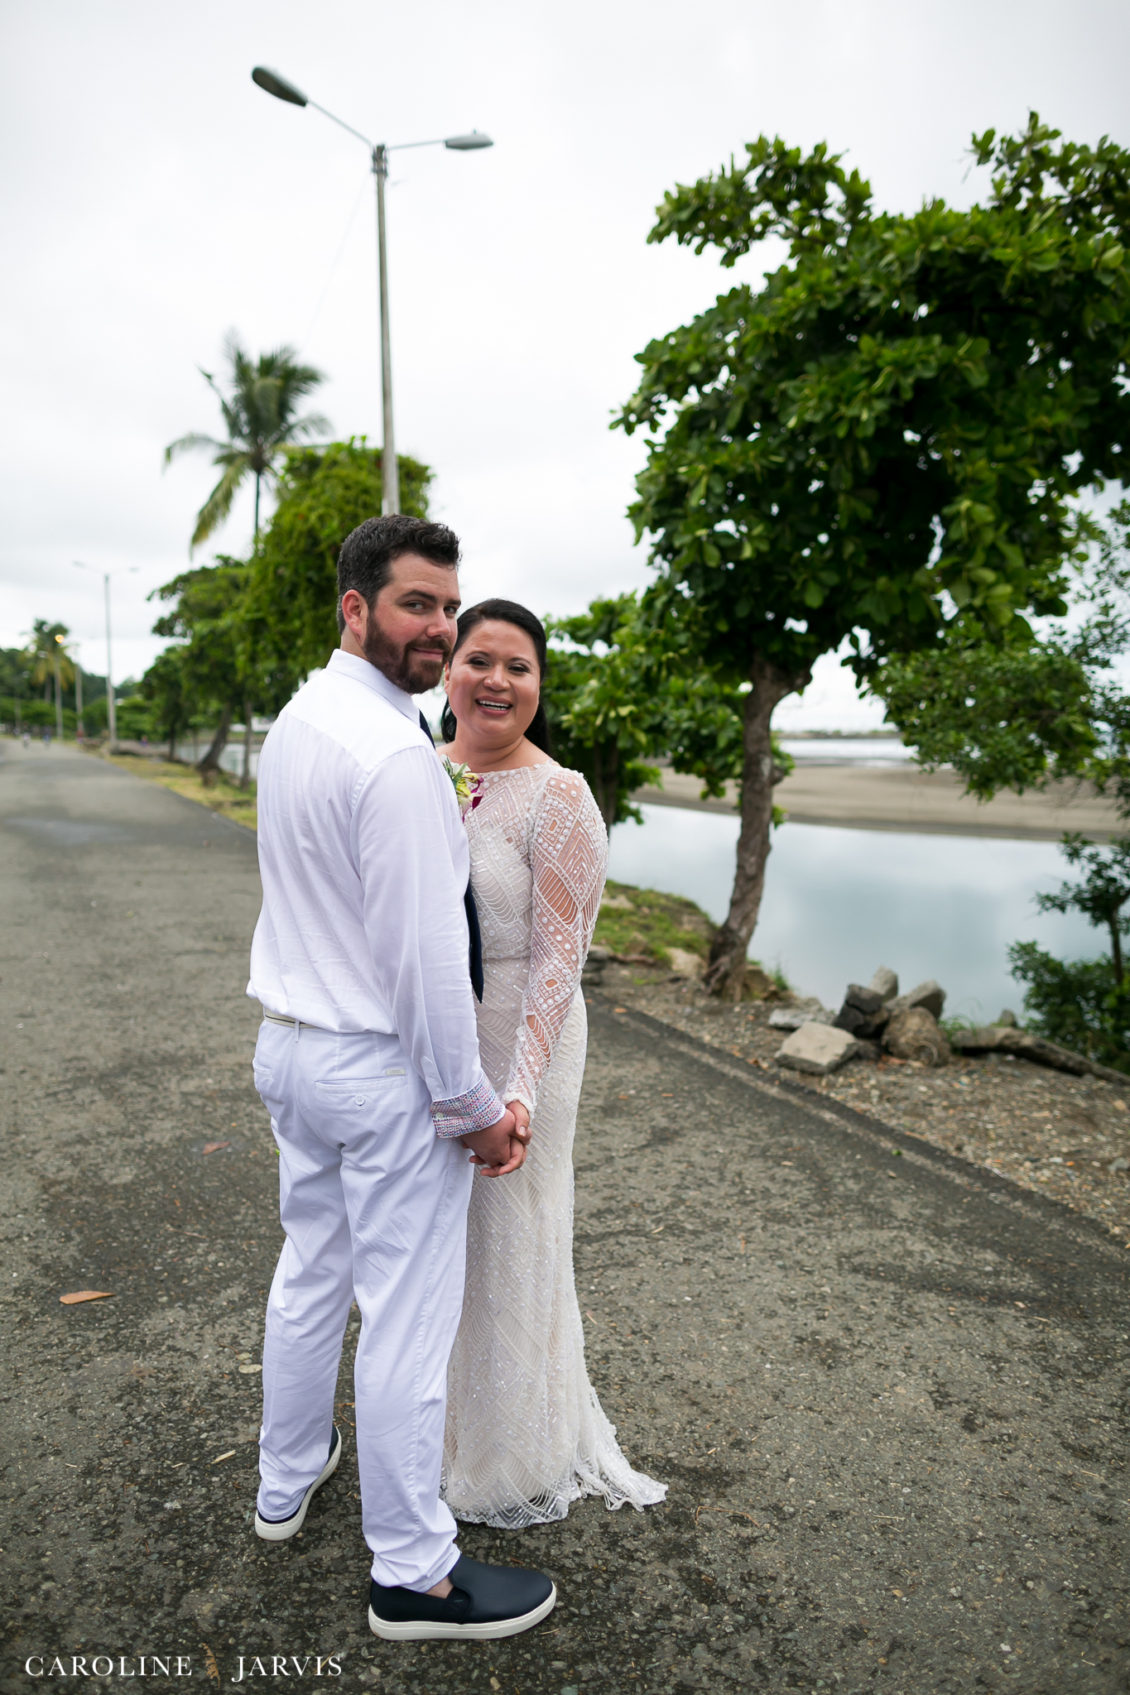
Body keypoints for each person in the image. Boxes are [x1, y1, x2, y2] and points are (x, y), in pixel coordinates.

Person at [247, 518, 556, 1642]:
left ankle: (285, 1482)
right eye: (415, 605)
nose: (437, 627)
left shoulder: (299, 719)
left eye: (446, 606)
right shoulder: (394, 757)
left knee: (310, 1271)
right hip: (378, 1072)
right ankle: (413, 1576)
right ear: (354, 608)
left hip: (289, 1041)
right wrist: (471, 1109)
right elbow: (427, 971)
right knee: (406, 1324)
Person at [438, 598, 667, 1526]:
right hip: (440, 1042)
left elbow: (560, 960)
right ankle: (444, 1429)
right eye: (479, 659)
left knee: (511, 1236)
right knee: (438, 1245)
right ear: (447, 671)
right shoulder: (424, 771)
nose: (498, 680)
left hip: (524, 1046)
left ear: (540, 685)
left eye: (520, 666)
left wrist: (520, 1087)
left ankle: (513, 1454)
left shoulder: (562, 795)